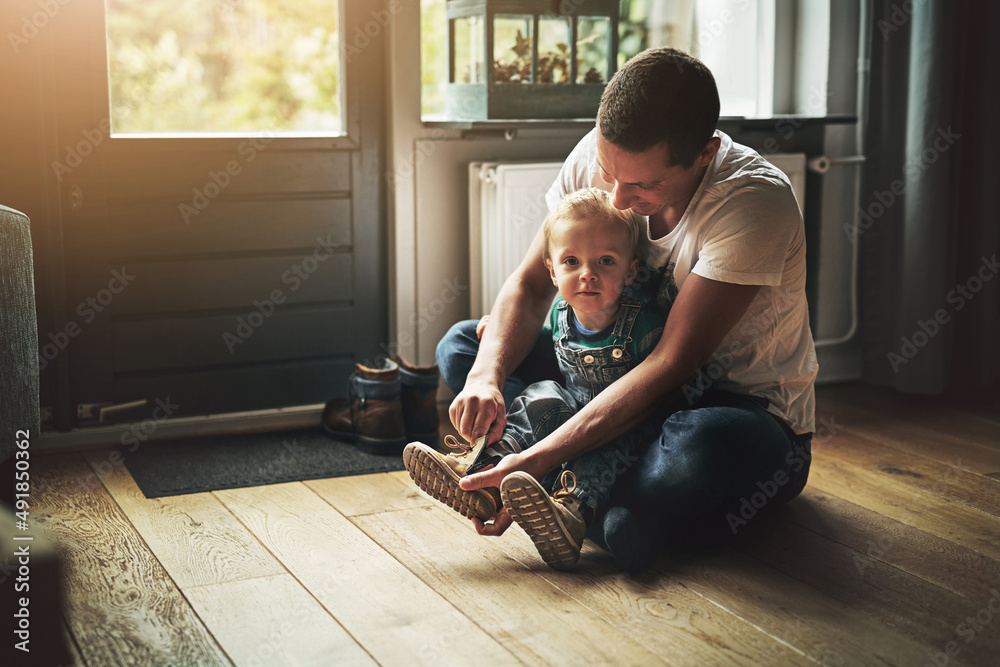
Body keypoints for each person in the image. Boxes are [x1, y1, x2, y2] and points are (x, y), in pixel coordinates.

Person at [438, 46, 818, 571]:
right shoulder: (603, 155)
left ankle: (551, 482)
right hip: (601, 374)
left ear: (705, 154)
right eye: (607, 169)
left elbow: (670, 365)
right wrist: (485, 376)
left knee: (695, 453)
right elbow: (531, 285)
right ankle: (593, 503)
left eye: (643, 184)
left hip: (726, 408)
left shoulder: (753, 202)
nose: (616, 196)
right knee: (464, 346)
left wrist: (544, 454)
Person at [405, 187, 679, 570]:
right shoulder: (561, 315)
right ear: (551, 270)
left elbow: (666, 382)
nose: (588, 274)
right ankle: (483, 471)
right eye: (571, 261)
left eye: (605, 261)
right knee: (541, 393)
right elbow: (540, 339)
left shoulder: (646, 324)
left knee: (603, 450)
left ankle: (570, 511)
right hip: (571, 413)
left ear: (630, 270)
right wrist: (493, 323)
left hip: (622, 426)